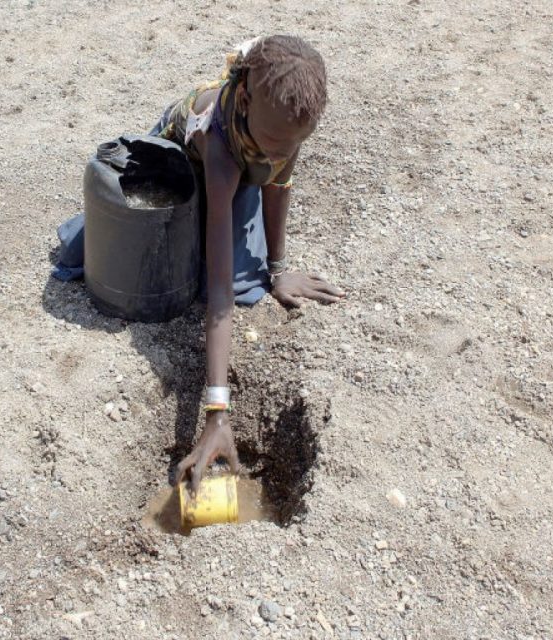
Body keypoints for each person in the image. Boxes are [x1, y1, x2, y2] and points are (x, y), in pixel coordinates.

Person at [154, 35, 346, 491]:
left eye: (294, 142)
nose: (283, 151)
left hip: (239, 170)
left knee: (255, 277)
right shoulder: (219, 141)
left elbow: (279, 181)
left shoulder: (284, 118)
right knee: (230, 285)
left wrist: (279, 272)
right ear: (244, 98)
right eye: (275, 141)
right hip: (188, 171)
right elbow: (220, 295)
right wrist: (216, 413)